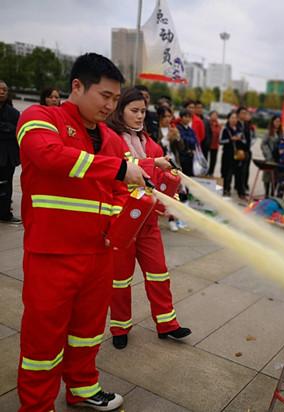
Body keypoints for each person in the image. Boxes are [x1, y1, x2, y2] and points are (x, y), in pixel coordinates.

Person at [16, 53, 145, 412]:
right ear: (77, 86)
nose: (111, 105)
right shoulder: (40, 118)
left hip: (99, 253)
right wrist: (120, 171)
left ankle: (83, 388)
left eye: (116, 99)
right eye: (105, 96)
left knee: (87, 331)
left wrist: (126, 212)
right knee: (43, 339)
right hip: (51, 254)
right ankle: (37, 405)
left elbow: (122, 188)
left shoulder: (110, 138)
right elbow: (48, 156)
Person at [106, 88, 191, 350]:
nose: (140, 116)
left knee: (159, 273)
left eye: (143, 111)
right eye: (134, 110)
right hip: (123, 219)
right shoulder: (110, 139)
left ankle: (167, 323)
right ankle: (120, 327)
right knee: (120, 279)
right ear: (120, 111)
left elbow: (158, 180)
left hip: (148, 221)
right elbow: (119, 169)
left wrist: (171, 180)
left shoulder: (150, 142)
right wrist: (155, 163)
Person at [0, 80, 21, 223]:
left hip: (8, 156)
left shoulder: (14, 113)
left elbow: (18, 132)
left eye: (4, 90)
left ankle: (5, 213)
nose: (2, 92)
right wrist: (8, 129)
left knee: (6, 185)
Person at [220, 111, 246, 198]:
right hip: (228, 154)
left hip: (238, 154)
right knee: (227, 173)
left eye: (235, 118)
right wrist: (230, 139)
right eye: (232, 118)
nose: (234, 120)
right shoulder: (225, 129)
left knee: (239, 173)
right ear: (228, 119)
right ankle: (226, 190)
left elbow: (245, 141)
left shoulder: (240, 129)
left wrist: (240, 139)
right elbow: (220, 141)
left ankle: (241, 192)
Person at [261, 115, 282, 197]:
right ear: (272, 122)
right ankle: (266, 193)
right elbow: (263, 144)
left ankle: (273, 193)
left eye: (279, 121)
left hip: (278, 158)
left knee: (276, 176)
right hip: (269, 157)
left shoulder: (281, 133)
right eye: (276, 121)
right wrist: (268, 154)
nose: (277, 123)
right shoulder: (268, 132)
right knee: (267, 176)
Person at [237, 107, 252, 193]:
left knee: (245, 171)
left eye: (245, 113)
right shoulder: (236, 123)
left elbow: (249, 138)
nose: (244, 115)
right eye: (242, 113)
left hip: (246, 150)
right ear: (238, 114)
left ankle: (242, 188)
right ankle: (239, 189)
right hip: (238, 150)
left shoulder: (247, 125)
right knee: (238, 171)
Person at [207, 110, 221, 176]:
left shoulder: (218, 124)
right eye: (213, 115)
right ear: (210, 115)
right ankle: (205, 171)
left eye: (216, 115)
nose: (215, 116)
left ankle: (211, 172)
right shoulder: (207, 123)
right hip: (208, 144)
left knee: (213, 160)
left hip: (215, 145)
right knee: (206, 159)